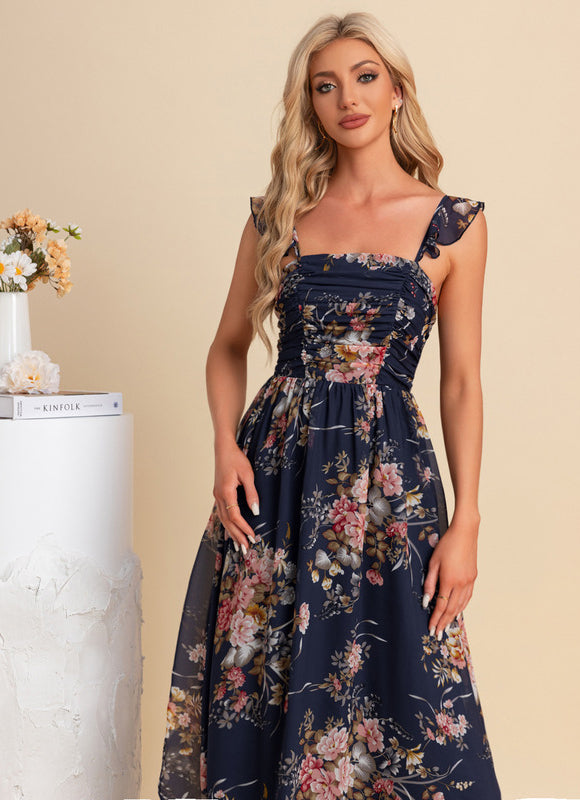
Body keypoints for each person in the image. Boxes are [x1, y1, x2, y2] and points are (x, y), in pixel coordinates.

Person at [158, 11, 502, 800]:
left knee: (408, 681)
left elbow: (461, 382)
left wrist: (468, 520)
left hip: (392, 487)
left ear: (396, 90)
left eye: (365, 77)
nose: (348, 98)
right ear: (308, 104)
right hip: (277, 480)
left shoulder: (455, 225)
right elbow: (226, 347)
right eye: (325, 85)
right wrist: (225, 448)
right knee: (264, 677)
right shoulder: (277, 217)